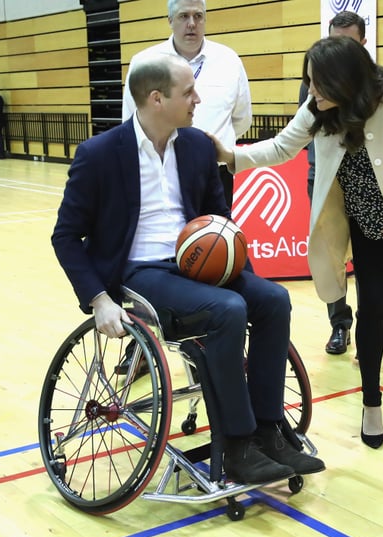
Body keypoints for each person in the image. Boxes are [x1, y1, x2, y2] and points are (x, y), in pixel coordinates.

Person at [52, 53, 324, 484]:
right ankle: (236, 444)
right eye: (189, 92)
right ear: (157, 99)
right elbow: (65, 236)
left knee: (273, 298)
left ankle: (269, 431)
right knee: (228, 310)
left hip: (196, 262)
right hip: (141, 274)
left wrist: (243, 272)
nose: (198, 99)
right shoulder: (99, 154)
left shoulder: (197, 146)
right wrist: (99, 300)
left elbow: (219, 219)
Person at [211, 36, 383, 448]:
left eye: (318, 84)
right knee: (372, 309)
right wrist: (230, 156)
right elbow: (283, 147)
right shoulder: (319, 110)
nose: (311, 92)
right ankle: (372, 403)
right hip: (365, 219)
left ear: (345, 82)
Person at [121, 0, 252, 207]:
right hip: (159, 174)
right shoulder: (144, 62)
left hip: (215, 173)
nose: (192, 23)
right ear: (170, 20)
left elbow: (241, 120)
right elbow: (130, 119)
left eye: (198, 16)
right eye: (184, 16)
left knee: (217, 237)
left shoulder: (229, 60)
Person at [298, 11, 367, 356]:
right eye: (333, 42)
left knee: (369, 261)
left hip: (366, 186)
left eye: (347, 43)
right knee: (330, 257)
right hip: (324, 180)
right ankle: (340, 325)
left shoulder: (375, 84)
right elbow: (299, 132)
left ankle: (370, 331)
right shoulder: (314, 81)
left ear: (363, 44)